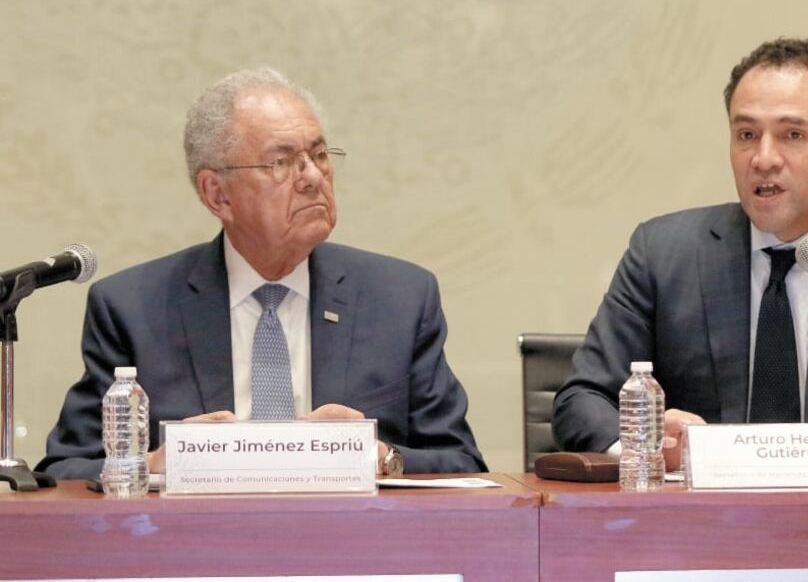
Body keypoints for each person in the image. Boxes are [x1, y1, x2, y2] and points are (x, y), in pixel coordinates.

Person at [38, 68, 486, 478]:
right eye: (281, 162)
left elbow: (463, 462)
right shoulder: (132, 309)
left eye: (318, 154)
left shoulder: (400, 299)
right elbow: (63, 470)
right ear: (218, 195)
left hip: (352, 550)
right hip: (195, 551)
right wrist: (151, 465)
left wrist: (384, 458)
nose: (312, 177)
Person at [553, 38, 808, 473]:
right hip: (698, 530)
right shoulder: (663, 254)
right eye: (746, 135)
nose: (764, 158)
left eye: (792, 135)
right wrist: (646, 443)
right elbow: (581, 401)